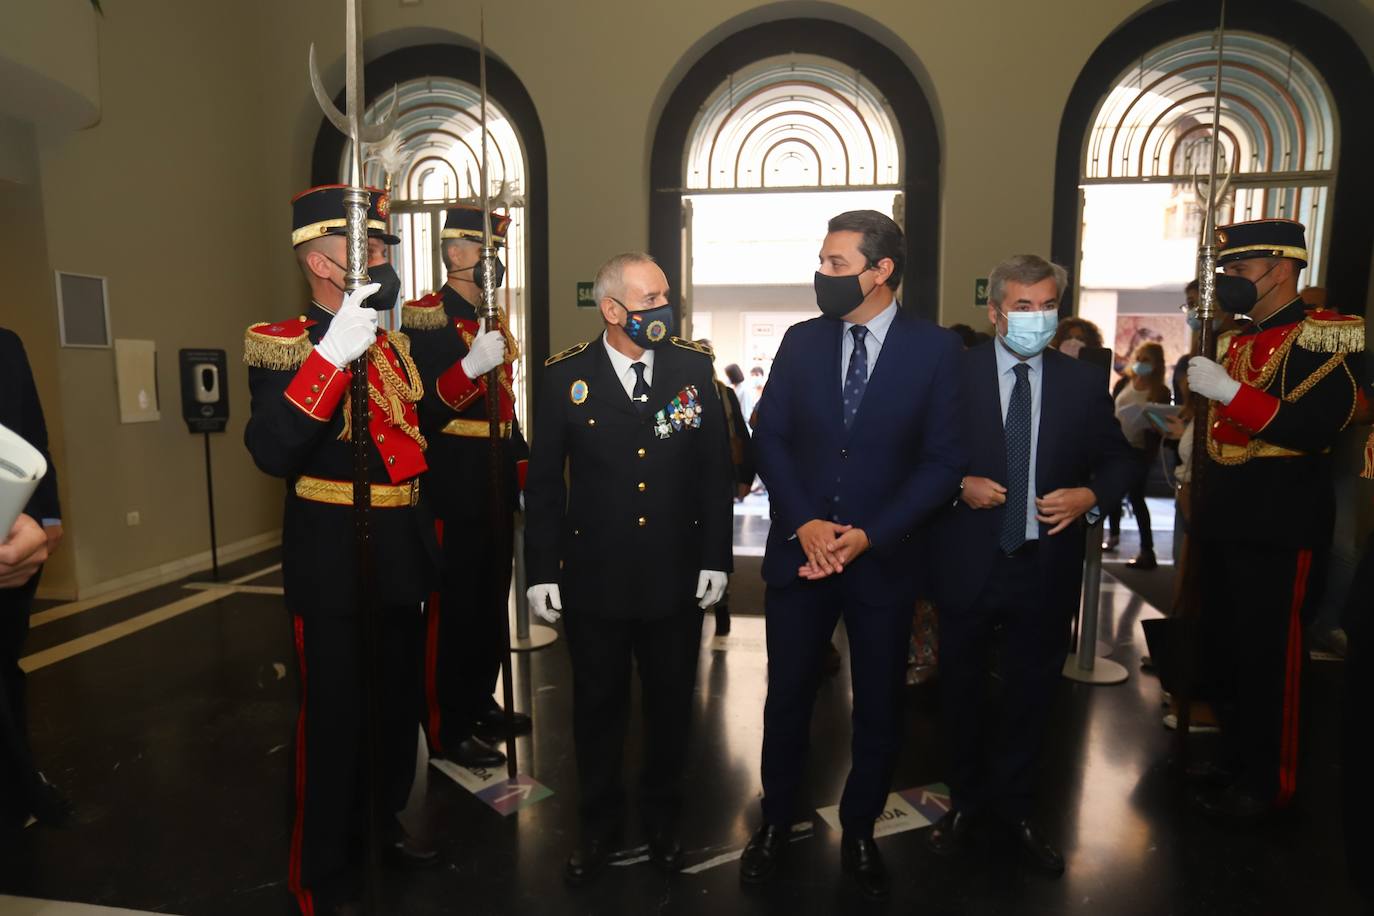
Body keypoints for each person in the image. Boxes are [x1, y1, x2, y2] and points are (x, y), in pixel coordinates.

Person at [738, 210, 964, 901]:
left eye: (837, 263)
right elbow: (768, 434)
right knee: (787, 700)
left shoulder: (936, 351)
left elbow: (943, 462)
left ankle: (861, 828)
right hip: (799, 557)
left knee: (880, 708)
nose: (822, 274)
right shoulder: (803, 343)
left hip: (883, 561)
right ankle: (776, 820)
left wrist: (868, 534)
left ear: (881, 270)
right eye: (823, 261)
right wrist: (804, 520)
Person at [243, 185, 439, 916]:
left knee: (394, 712)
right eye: (372, 250)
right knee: (333, 722)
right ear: (326, 262)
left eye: (384, 247)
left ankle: (379, 823)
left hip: (397, 549)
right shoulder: (286, 342)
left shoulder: (391, 349)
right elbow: (271, 447)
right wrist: (328, 356)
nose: (385, 260)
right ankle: (321, 869)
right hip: (331, 558)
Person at [523, 252, 732, 885]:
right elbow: (544, 487)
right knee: (597, 711)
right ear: (612, 310)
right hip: (596, 579)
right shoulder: (565, 378)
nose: (663, 311)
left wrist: (715, 558)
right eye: (649, 302)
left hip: (674, 578)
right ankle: (599, 829)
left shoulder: (694, 369)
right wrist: (540, 570)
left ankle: (665, 825)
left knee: (672, 711)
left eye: (666, 297)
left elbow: (713, 476)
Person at [925, 255, 1137, 878]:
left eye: (1048, 305)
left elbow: (1119, 461)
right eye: (1023, 306)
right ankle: (964, 804)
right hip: (968, 560)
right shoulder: (951, 376)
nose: (1036, 318)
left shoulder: (1080, 382)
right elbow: (916, 458)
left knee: (1032, 694)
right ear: (994, 313)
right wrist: (957, 484)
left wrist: (1092, 495)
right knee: (960, 691)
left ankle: (1018, 809)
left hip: (1043, 565)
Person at [1184, 218, 1363, 822]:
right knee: (1231, 651)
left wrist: (1230, 395)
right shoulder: (1239, 338)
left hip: (1282, 520)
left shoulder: (1325, 336)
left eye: (1238, 270)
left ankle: (1273, 782)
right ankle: (1237, 758)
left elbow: (1315, 428)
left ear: (1281, 268)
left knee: (1273, 658)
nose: (1229, 281)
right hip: (1229, 515)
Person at [401, 206, 530, 769]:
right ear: (454, 254)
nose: (491, 261)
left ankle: (478, 699)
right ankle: (445, 724)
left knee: (488, 597)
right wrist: (469, 369)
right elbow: (422, 408)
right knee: (453, 608)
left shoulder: (492, 318)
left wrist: (525, 474)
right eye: (483, 249)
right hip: (453, 477)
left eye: (497, 251)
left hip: (495, 477)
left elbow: (506, 408)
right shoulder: (425, 318)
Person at [0, 327, 70, 831]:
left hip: (15, 540)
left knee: (6, 664)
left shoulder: (6, 344)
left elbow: (32, 435)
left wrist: (47, 515)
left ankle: (18, 786)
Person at [700, 341, 755, 636]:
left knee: (718, 543)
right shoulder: (678, 393)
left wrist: (745, 476)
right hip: (687, 486)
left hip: (720, 481)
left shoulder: (724, 394)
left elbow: (742, 437)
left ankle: (721, 605)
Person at [1104, 341, 1170, 568]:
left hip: (1140, 450)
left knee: (1136, 497)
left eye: (1147, 360)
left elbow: (1163, 420)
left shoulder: (1160, 390)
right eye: (1139, 358)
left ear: (1157, 364)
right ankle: (1112, 536)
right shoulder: (1125, 382)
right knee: (1112, 493)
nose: (1141, 364)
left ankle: (1147, 550)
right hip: (1117, 446)